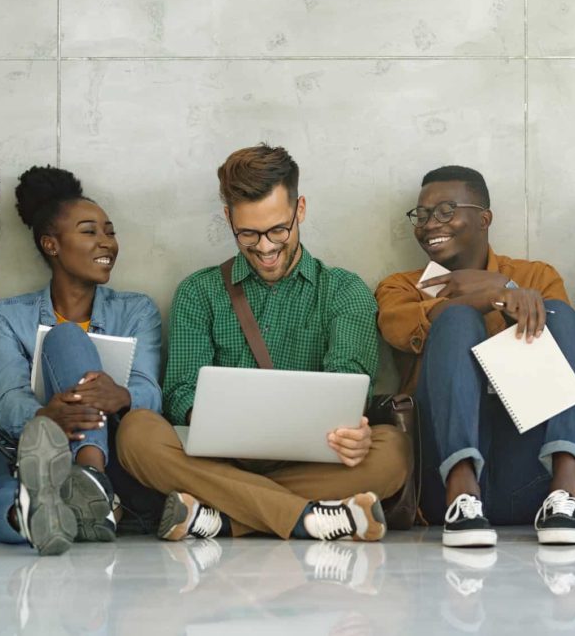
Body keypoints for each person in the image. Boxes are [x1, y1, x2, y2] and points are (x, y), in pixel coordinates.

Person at [116, 144, 410, 542]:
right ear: (228, 219)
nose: (266, 247)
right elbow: (180, 393)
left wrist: (352, 433)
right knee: (136, 433)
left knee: (390, 452)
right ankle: (310, 518)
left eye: (278, 230)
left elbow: (348, 385)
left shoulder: (345, 291)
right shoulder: (198, 292)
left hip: (305, 461)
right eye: (248, 234)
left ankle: (222, 518)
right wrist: (227, 421)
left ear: (300, 210)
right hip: (218, 460)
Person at [375, 165, 575, 547]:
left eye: (445, 211)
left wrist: (507, 286)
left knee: (558, 314)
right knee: (456, 318)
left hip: (527, 472)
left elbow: (563, 346)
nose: (429, 224)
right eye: (422, 215)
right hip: (440, 481)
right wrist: (497, 296)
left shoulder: (535, 276)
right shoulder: (401, 286)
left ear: (484, 218)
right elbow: (400, 329)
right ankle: (462, 489)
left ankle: (567, 490)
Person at [0, 166, 164, 555]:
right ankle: (77, 501)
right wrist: (46, 416)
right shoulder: (8, 317)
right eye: (90, 231)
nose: (106, 243)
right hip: (25, 453)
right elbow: (7, 402)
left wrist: (121, 395)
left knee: (67, 338)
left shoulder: (137, 311)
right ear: (51, 245)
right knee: (3, 505)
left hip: (115, 457)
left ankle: (88, 475)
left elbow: (152, 395)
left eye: (110, 231)